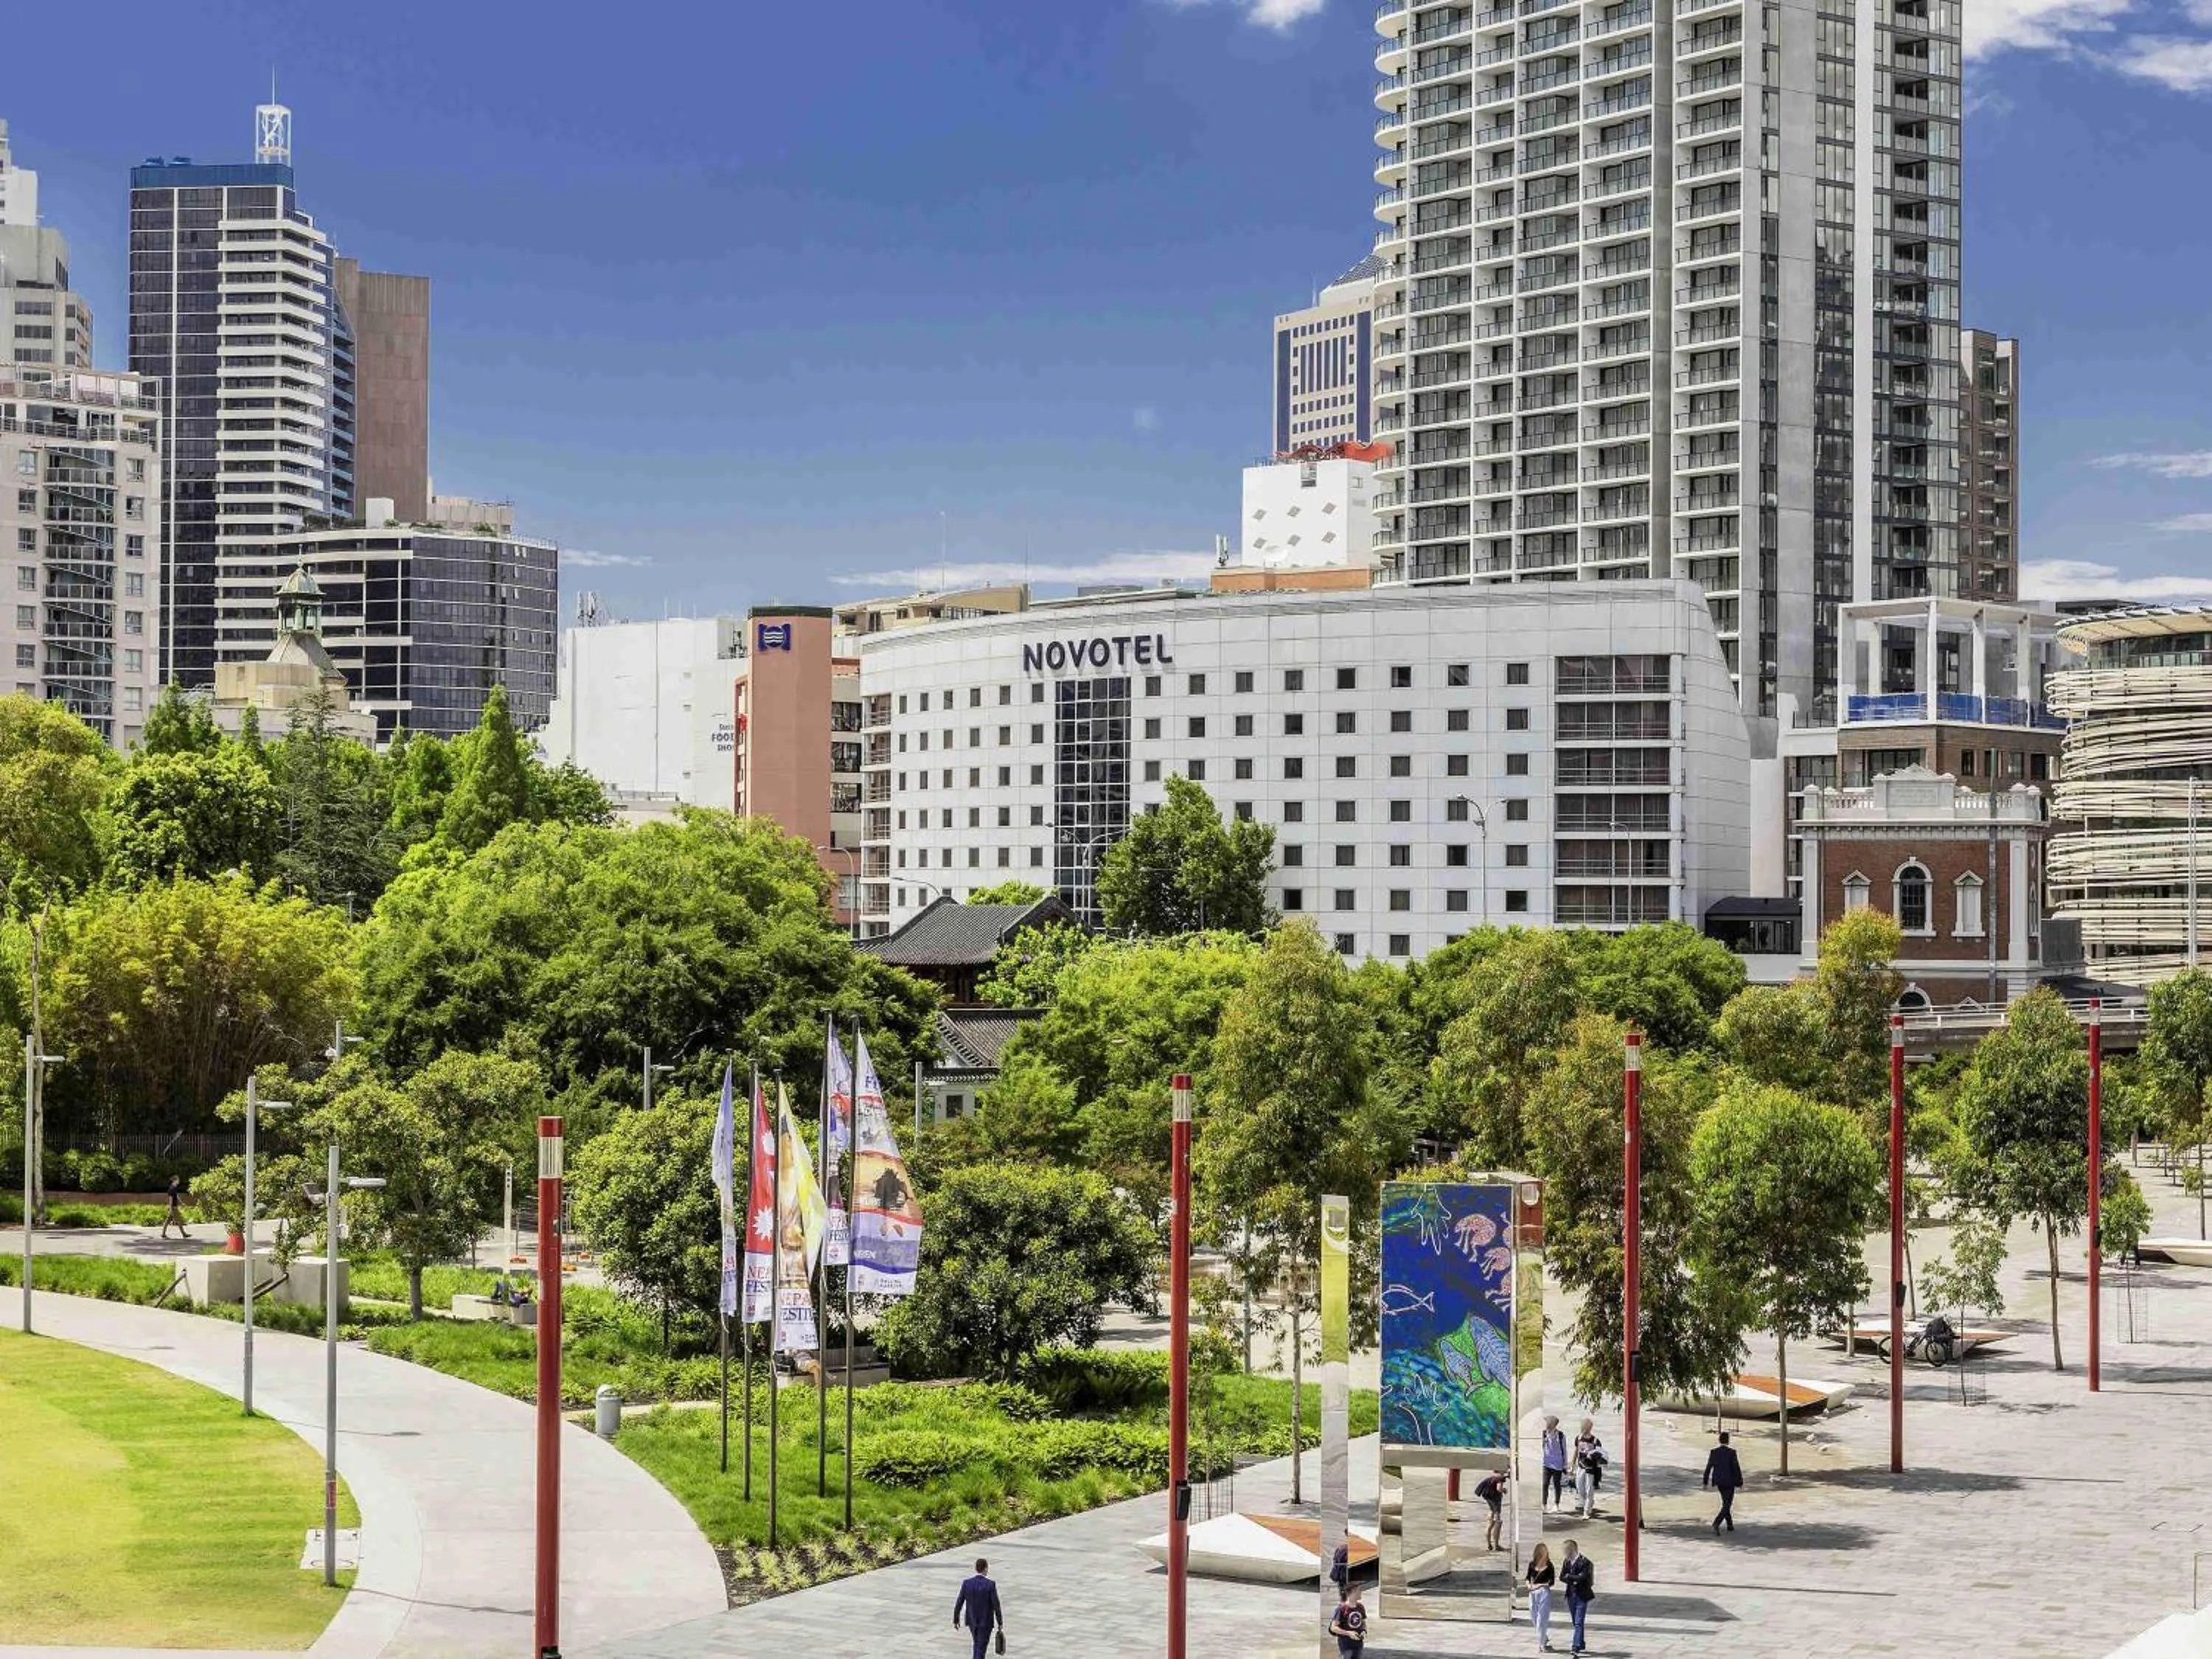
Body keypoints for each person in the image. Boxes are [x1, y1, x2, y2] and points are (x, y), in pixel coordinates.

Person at [953, 1557, 1004, 1659]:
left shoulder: (967, 1583)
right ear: (985, 1568)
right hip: (986, 1622)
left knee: (977, 1644)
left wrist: (956, 1619)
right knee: (981, 1647)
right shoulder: (990, 1585)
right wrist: (1000, 1621)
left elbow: (959, 1602)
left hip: (972, 1620)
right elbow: (996, 1605)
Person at [1703, 1429, 1745, 1533]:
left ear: (1719, 1440)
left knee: (1726, 1503)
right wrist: (1740, 1482)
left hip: (1719, 1481)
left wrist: (1705, 1481)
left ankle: (1730, 1525)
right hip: (1730, 1481)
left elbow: (1709, 1467)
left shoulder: (1714, 1452)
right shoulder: (1732, 1453)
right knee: (1727, 1504)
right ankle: (1716, 1523)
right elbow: (1736, 1468)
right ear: (1728, 1441)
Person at [1559, 1539, 1595, 1655]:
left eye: (1566, 1550)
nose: (1564, 1553)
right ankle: (1581, 1643)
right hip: (1571, 1595)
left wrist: (1570, 1576)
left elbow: (1583, 1577)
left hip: (1582, 1595)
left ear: (1572, 1549)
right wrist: (1573, 1579)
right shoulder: (1566, 1562)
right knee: (1576, 1621)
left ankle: (1575, 1646)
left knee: (1579, 1622)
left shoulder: (1585, 1562)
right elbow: (1561, 1577)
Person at [1526, 1542, 1557, 1652]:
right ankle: (1544, 1637)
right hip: (1532, 1593)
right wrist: (1529, 1585)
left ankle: (1541, 1644)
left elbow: (1551, 1582)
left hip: (1544, 1592)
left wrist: (1540, 1585)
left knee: (1542, 1619)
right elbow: (1528, 1577)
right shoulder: (1532, 1564)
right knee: (1533, 1616)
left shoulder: (1549, 1566)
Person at [1573, 1419, 1606, 1519]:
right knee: (1580, 1488)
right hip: (1581, 1467)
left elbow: (1600, 1456)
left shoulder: (1595, 1441)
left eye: (1585, 1427)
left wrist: (1598, 1471)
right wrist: (1572, 1465)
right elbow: (1576, 1452)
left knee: (1589, 1489)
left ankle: (1586, 1512)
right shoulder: (1578, 1439)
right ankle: (1586, 1502)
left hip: (1591, 1469)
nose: (1583, 1428)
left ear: (1589, 1428)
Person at [1329, 1582, 1368, 1658]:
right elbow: (1333, 1628)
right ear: (1353, 1592)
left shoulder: (1361, 1607)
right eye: (1359, 1591)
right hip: (1346, 1645)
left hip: (1358, 1644)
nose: (1361, 1593)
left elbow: (1363, 1622)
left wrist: (1364, 1631)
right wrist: (1349, 1633)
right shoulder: (1341, 1609)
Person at [1474, 1468, 1509, 1551]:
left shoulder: (1490, 1478)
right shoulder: (1500, 1478)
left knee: (1490, 1521)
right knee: (1498, 1521)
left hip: (1489, 1499)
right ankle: (1497, 1545)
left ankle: (1489, 1544)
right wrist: (1504, 1490)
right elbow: (1499, 1489)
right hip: (1495, 1500)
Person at [1540, 1414, 1568, 1512]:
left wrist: (1565, 1465)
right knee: (1545, 1484)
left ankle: (1556, 1504)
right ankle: (1544, 1505)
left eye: (1547, 1423)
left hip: (1557, 1464)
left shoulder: (1560, 1436)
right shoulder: (1543, 1434)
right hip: (1546, 1463)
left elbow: (1564, 1450)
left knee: (1557, 1484)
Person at [159, 1175, 187, 1241]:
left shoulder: (174, 1188)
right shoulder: (172, 1188)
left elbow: (177, 1196)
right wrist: (171, 1208)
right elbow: (171, 1198)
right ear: (175, 1180)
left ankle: (163, 1234)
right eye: (178, 1180)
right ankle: (184, 1234)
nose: (179, 1181)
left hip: (173, 1207)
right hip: (173, 1207)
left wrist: (182, 1203)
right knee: (179, 1220)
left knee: (168, 1220)